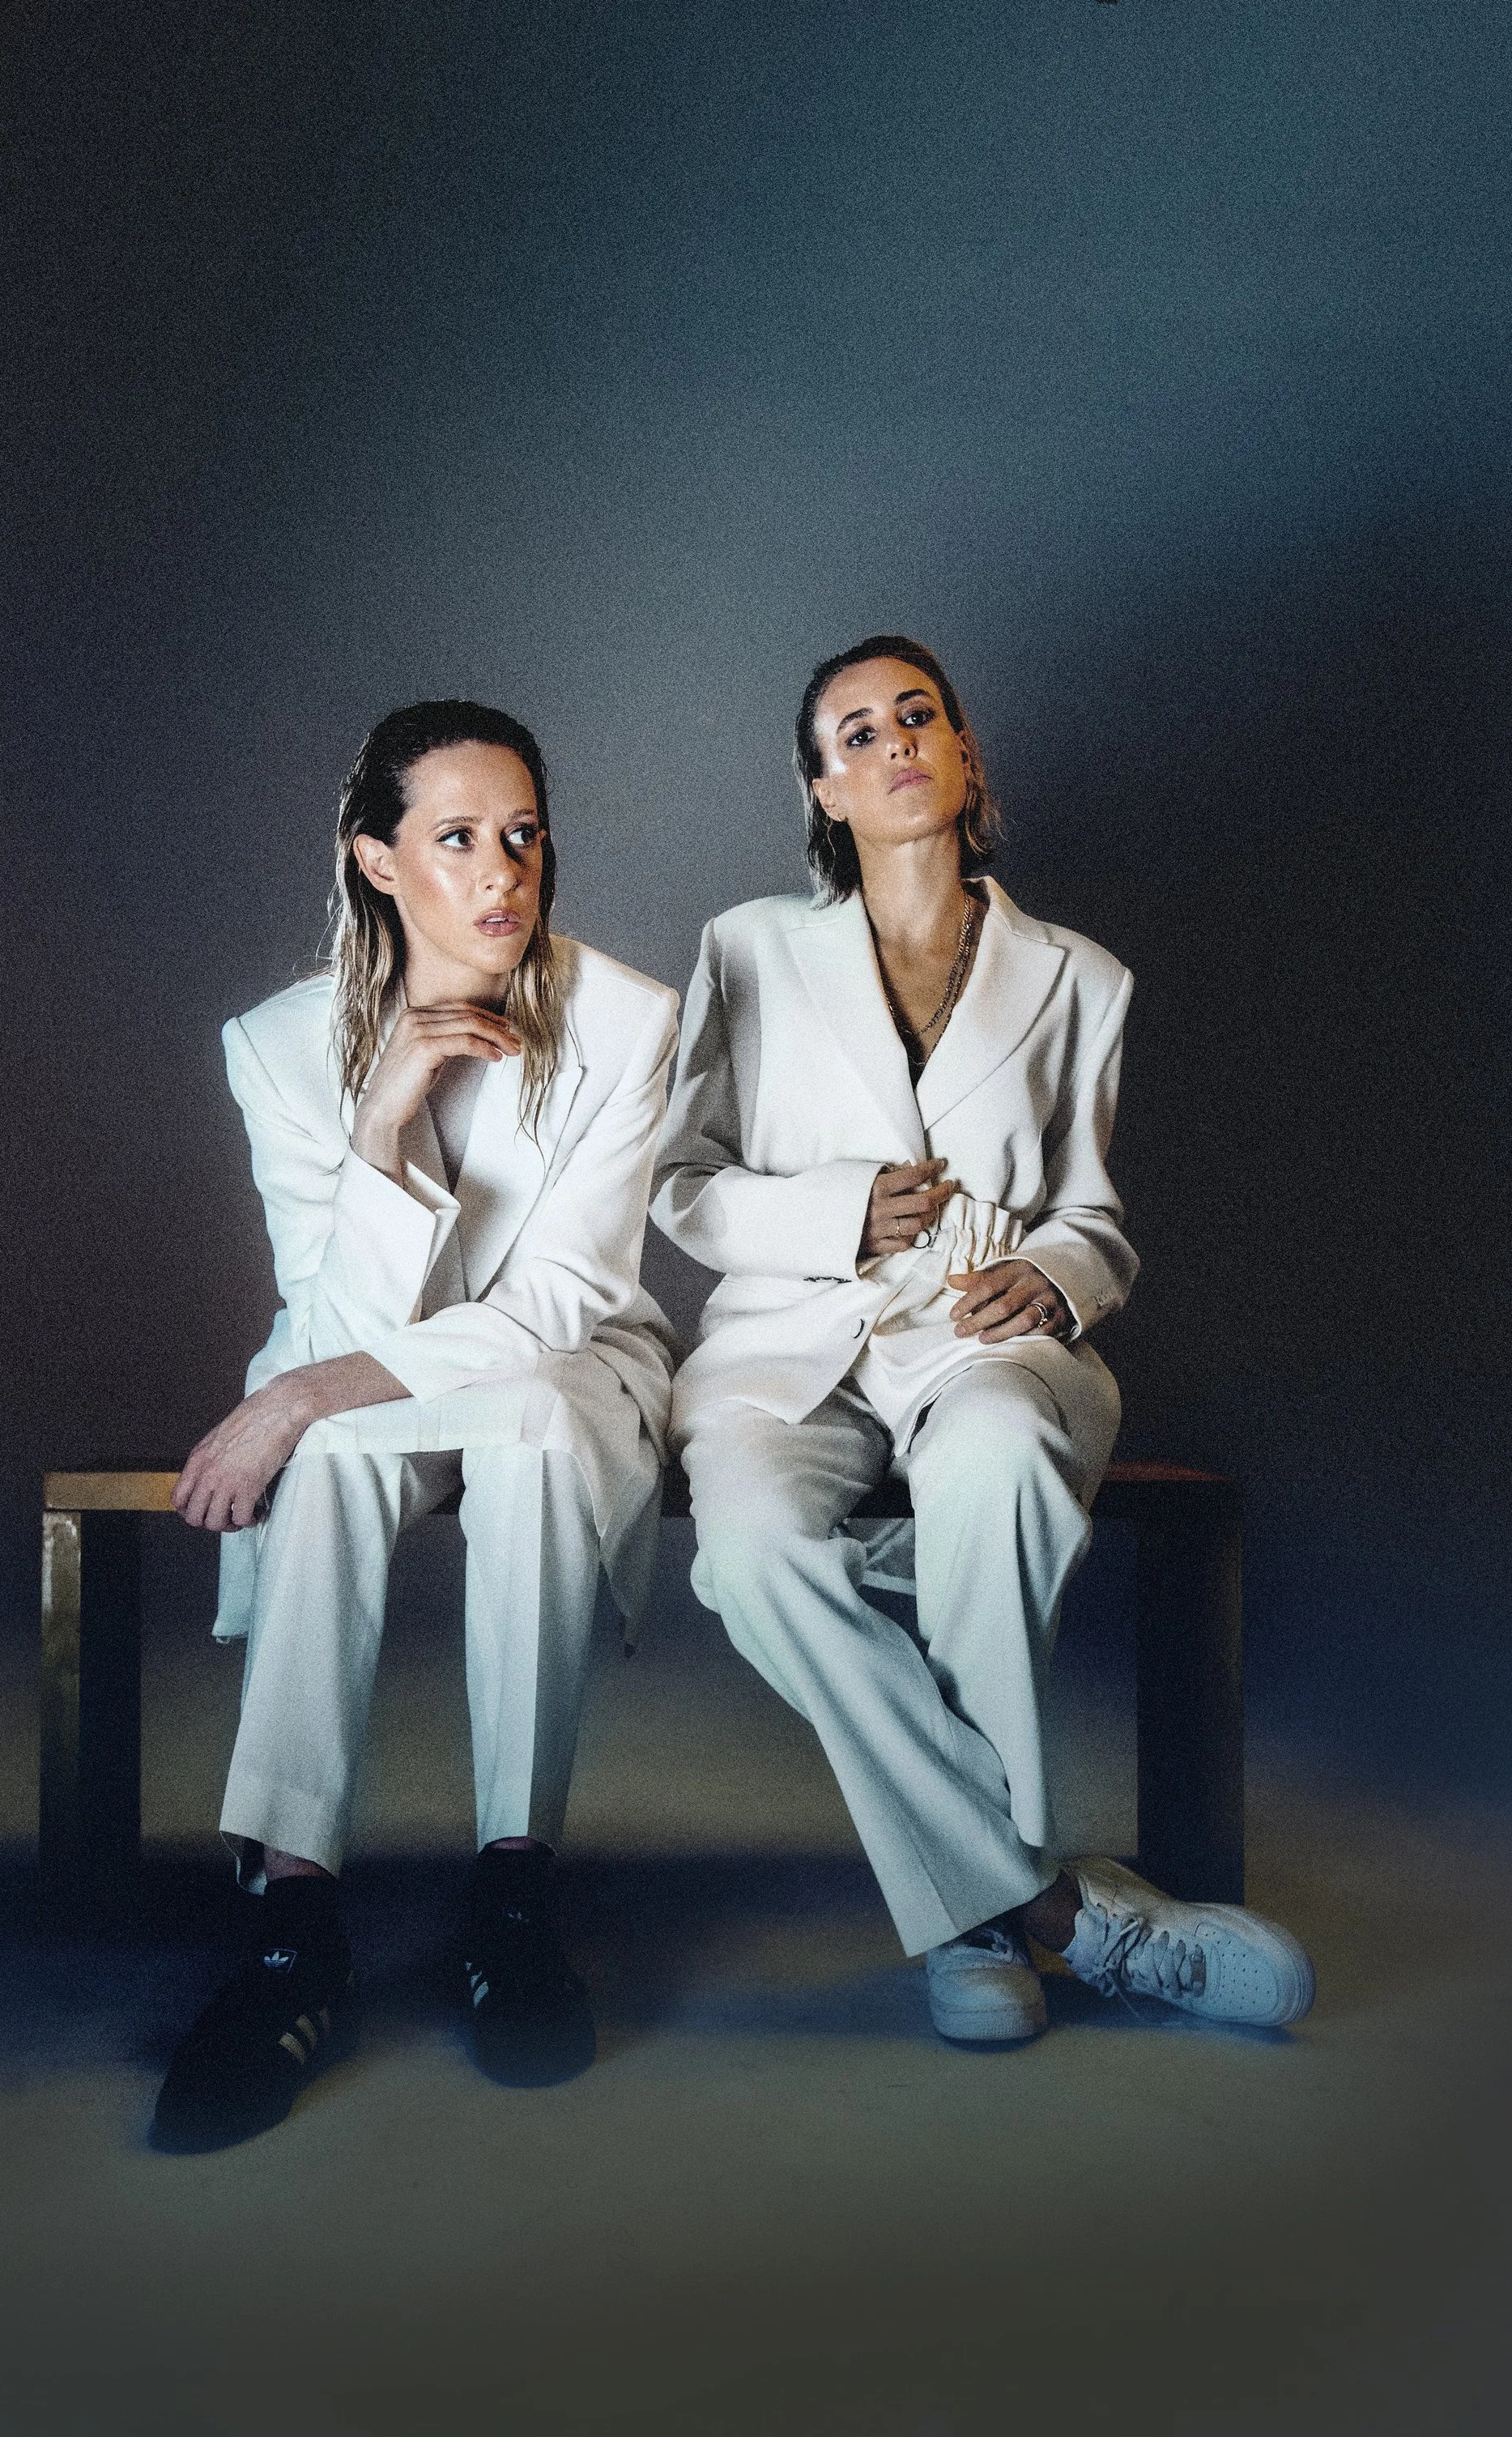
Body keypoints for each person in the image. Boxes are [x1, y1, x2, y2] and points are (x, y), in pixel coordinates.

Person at [652, 635, 1313, 2044]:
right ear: (823, 790)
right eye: (855, 734)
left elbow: (1096, 1215)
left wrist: (1060, 1281)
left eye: (919, 717)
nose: (892, 743)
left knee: (1003, 1464)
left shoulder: (1082, 980)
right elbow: (683, 1183)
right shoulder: (747, 950)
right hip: (789, 1342)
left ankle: (967, 1934)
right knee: (754, 1552)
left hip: (978, 1338)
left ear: (963, 759)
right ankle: (1044, 1911)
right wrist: (837, 1212)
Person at [153, 700, 679, 2152]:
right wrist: (383, 1122)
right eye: (457, 840)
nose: (503, 872)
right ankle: (292, 1924)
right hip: (364, 1361)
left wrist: (295, 1394)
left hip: (561, 1367)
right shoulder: (276, 1045)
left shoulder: (629, 1019)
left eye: (522, 837)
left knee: (518, 1440)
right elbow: (330, 1323)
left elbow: (561, 1302)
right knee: (320, 1463)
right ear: (377, 862)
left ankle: (514, 1897)